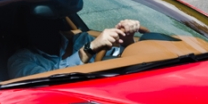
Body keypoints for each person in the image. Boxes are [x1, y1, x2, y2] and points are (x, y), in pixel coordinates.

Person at [8, 12, 141, 79]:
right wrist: (89, 49)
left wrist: (127, 39)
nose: (46, 27)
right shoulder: (20, 61)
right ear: (24, 30)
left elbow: (118, 56)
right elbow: (49, 81)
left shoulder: (81, 39)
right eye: (37, 24)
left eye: (51, 20)